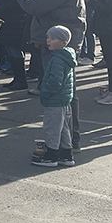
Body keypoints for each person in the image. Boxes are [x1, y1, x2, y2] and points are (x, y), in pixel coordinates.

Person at [7, 0, 86, 145]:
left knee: (59, 96)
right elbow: (43, 2)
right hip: (61, 41)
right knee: (65, 93)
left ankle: (63, 142)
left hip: (57, 44)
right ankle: (65, 139)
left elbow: (32, 6)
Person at [32, 26, 77, 167]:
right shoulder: (66, 56)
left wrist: (46, 92)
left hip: (55, 99)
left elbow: (55, 80)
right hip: (63, 99)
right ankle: (66, 154)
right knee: (63, 128)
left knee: (52, 127)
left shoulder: (57, 59)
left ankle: (51, 155)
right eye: (48, 37)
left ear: (64, 42)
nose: (49, 41)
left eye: (53, 38)